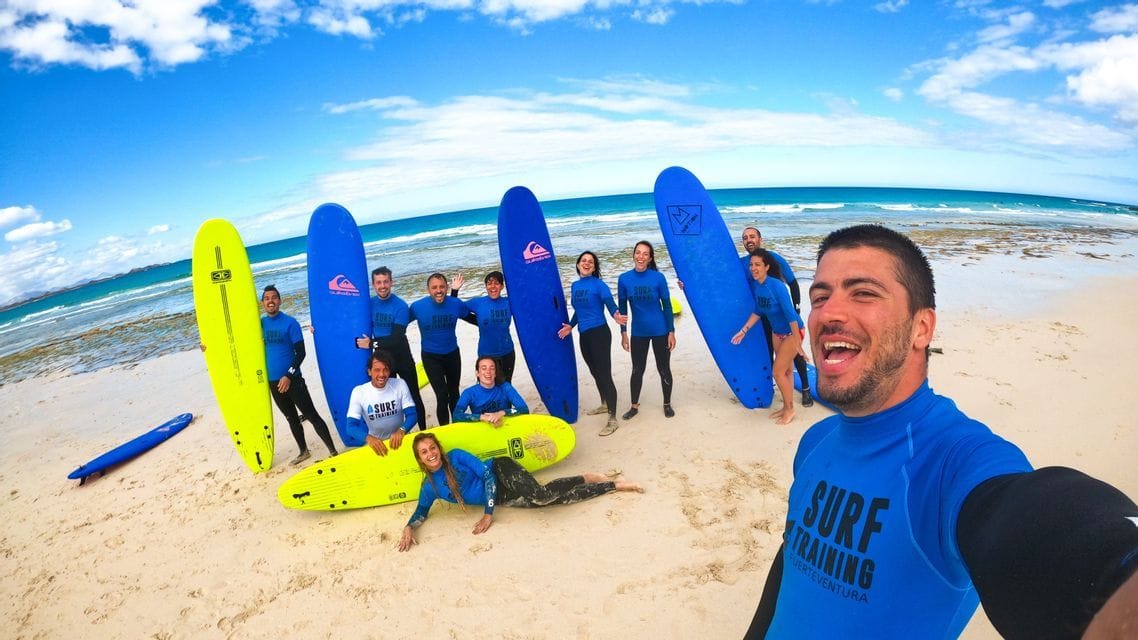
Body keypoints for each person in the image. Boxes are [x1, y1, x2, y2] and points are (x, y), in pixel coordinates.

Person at [746, 224, 1138, 639]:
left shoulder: (955, 461)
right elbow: (792, 558)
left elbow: (1041, 522)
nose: (828, 313)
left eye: (863, 292)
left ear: (922, 328)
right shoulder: (815, 441)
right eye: (820, 297)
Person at [397, 432, 643, 551]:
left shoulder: (457, 456)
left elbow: (487, 475)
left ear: (438, 448)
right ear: (420, 459)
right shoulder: (429, 487)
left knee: (541, 495)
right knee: (553, 501)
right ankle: (613, 485)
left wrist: (488, 513)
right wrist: (409, 526)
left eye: (432, 448)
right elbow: (421, 511)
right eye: (424, 452)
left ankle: (587, 477)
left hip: (501, 471)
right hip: (502, 496)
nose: (431, 454)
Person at [259, 285, 338, 465]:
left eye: (274, 297)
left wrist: (288, 375)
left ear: (279, 301)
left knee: (311, 414)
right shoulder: (260, 325)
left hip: (293, 381)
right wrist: (207, 346)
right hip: (273, 382)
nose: (270, 301)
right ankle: (303, 451)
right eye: (267, 298)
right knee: (291, 418)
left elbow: (301, 353)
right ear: (262, 303)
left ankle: (333, 451)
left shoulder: (290, 323)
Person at [741, 227, 813, 409]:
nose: (749, 240)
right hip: (763, 314)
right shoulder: (743, 263)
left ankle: (805, 389)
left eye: (752, 236)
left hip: (782, 315)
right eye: (745, 238)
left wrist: (795, 309)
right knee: (769, 352)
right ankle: (777, 387)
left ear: (760, 239)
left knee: (794, 353)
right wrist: (685, 283)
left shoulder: (773, 260)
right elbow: (719, 275)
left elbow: (793, 283)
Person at [558, 251, 627, 436]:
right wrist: (571, 326)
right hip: (584, 335)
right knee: (594, 371)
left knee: (604, 374)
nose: (587, 263)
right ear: (578, 264)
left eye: (590, 262)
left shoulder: (599, 285)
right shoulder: (574, 286)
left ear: (594, 267)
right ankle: (604, 403)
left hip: (599, 333)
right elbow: (577, 311)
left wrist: (616, 315)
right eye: (583, 261)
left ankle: (613, 419)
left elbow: (610, 304)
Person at [731, 248, 802, 425]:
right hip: (777, 332)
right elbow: (758, 311)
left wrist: (798, 342)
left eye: (757, 265)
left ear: (767, 267)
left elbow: (790, 314)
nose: (753, 268)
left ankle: (791, 409)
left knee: (777, 373)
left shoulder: (777, 286)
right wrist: (743, 330)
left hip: (793, 331)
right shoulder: (758, 286)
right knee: (785, 371)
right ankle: (787, 406)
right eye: (751, 265)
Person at [355, 266, 427, 431]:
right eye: (379, 282)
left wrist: (371, 343)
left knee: (413, 395)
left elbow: (396, 338)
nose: (383, 286)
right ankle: (398, 432)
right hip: (382, 359)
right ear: (373, 284)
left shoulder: (400, 306)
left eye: (386, 281)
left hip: (401, 356)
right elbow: (348, 320)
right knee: (390, 399)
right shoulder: (369, 304)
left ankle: (424, 430)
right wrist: (319, 330)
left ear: (391, 282)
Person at [617, 241, 676, 420]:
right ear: (633, 255)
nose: (641, 256)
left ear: (650, 258)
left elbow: (666, 306)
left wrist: (671, 331)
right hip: (639, 333)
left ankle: (667, 404)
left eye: (645, 254)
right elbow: (623, 309)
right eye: (638, 253)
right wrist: (623, 333)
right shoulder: (624, 279)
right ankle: (634, 406)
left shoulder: (658, 278)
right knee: (637, 369)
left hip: (660, 330)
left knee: (664, 369)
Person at [409, 273, 470, 426]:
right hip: (431, 357)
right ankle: (444, 428)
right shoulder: (417, 307)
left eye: (442, 286)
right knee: (442, 395)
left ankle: (457, 425)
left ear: (447, 287)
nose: (438, 290)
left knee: (454, 392)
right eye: (434, 287)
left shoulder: (456, 304)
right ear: (428, 290)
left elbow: (473, 318)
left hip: (452, 354)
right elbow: (398, 325)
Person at [345, 350, 417, 457]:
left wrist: (402, 430)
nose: (382, 374)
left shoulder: (400, 384)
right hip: (377, 444)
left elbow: (412, 415)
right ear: (369, 371)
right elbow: (350, 427)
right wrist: (368, 438)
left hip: (401, 438)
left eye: (385, 370)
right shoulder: (359, 392)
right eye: (377, 370)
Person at [449, 270, 517, 382]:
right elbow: (455, 308)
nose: (493, 286)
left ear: (502, 286)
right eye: (489, 283)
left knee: (506, 386)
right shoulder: (478, 302)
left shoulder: (509, 302)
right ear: (486, 286)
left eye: (496, 283)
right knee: (486, 387)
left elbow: (527, 307)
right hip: (486, 354)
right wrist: (454, 290)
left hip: (507, 353)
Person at [453, 356, 528, 425]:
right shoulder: (469, 393)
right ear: (477, 373)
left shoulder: (505, 387)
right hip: (482, 429)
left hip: (504, 426)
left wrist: (502, 413)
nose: (488, 372)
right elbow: (456, 416)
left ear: (495, 373)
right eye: (484, 368)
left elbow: (524, 409)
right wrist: (482, 417)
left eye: (492, 368)